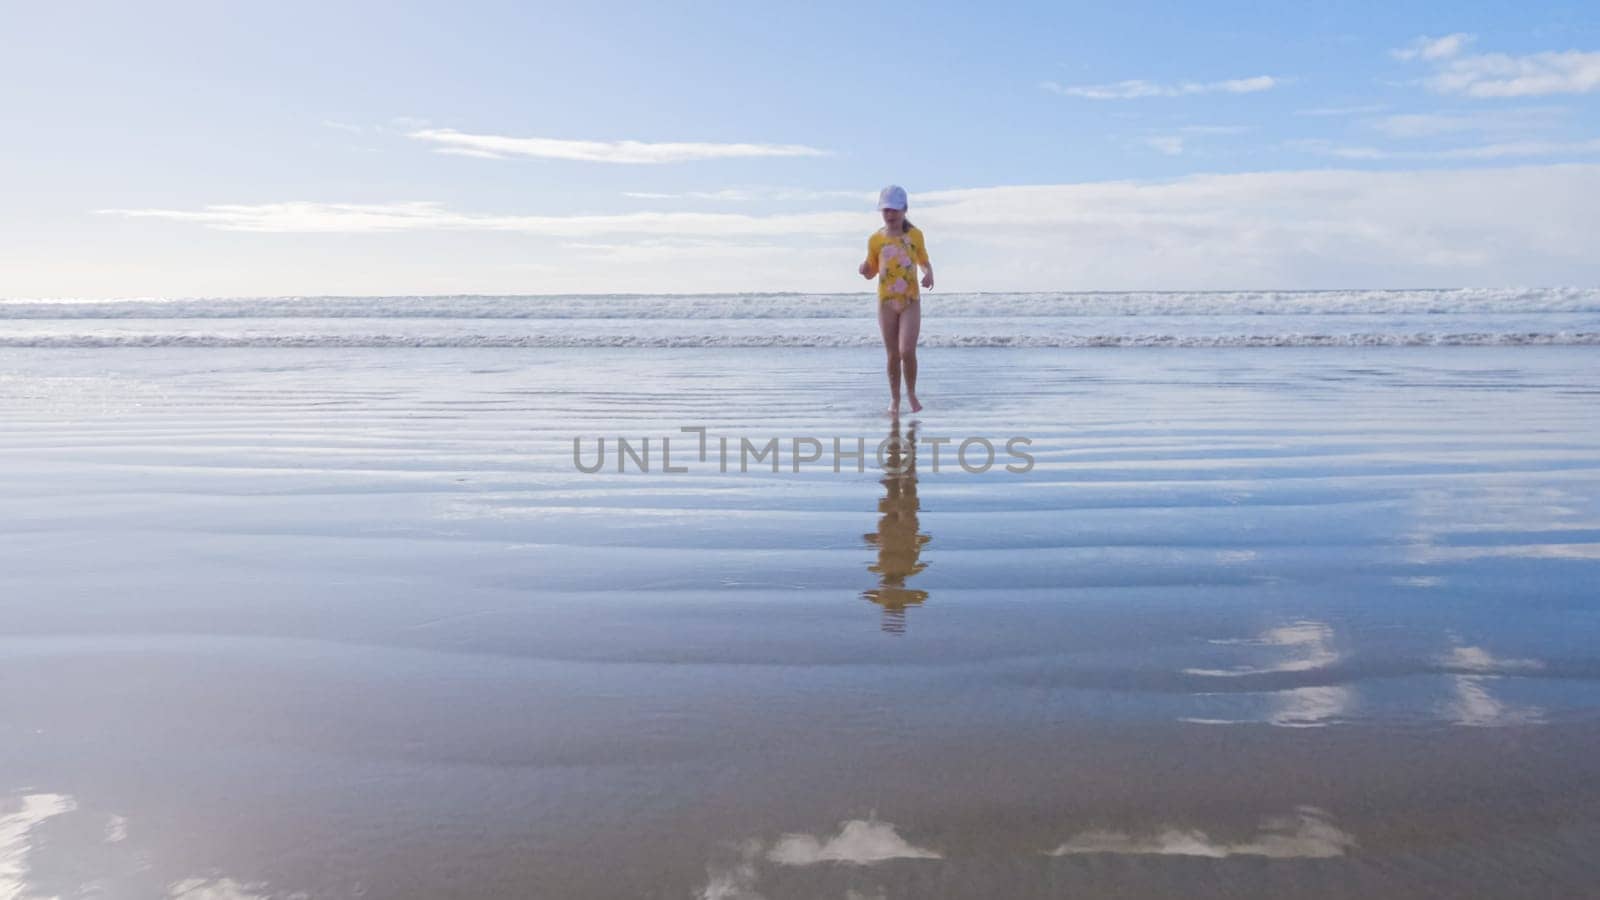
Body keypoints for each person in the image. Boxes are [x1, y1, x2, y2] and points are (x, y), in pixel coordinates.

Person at [858, 184, 934, 415]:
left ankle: (911, 392)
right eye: (886, 210)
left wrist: (929, 273)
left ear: (904, 210)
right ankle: (894, 398)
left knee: (906, 350)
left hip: (910, 300)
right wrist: (864, 270)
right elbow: (872, 271)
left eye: (894, 210)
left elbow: (923, 260)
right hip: (886, 302)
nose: (890, 215)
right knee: (892, 353)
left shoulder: (915, 235)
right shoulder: (875, 240)